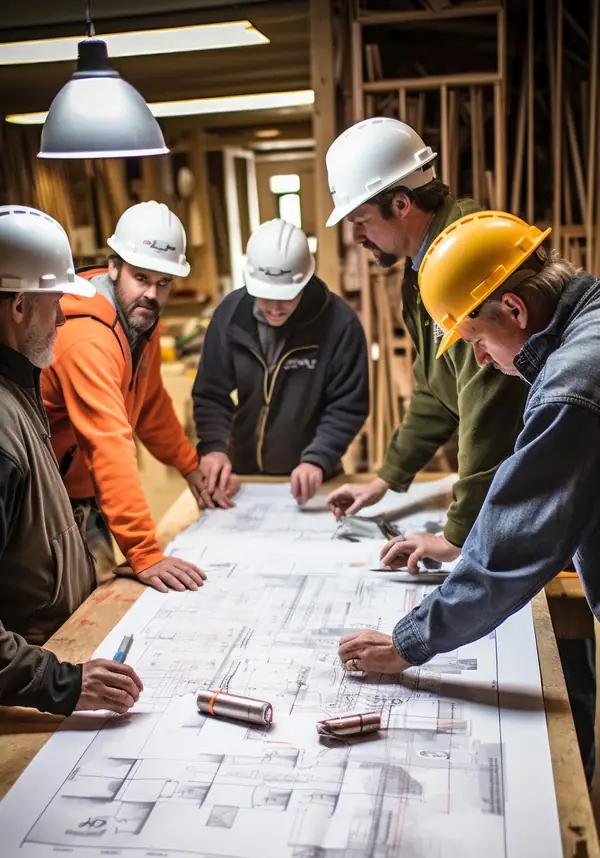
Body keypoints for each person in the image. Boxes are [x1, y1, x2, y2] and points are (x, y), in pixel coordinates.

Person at [338, 211, 599, 781]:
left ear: (514, 309)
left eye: (477, 338)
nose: (479, 358)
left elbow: (519, 542)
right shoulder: (589, 323)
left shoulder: (572, 386)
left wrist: (409, 644)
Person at [0, 205, 143, 858]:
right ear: (20, 307)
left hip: (53, 654)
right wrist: (57, 681)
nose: (65, 313)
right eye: (55, 301)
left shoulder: (15, 390)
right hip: (26, 697)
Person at [325, 117, 527, 562]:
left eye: (360, 220)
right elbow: (436, 387)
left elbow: (488, 403)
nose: (356, 236)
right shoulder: (423, 266)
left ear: (400, 204)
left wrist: (456, 537)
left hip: (540, 469)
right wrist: (386, 478)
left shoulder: (466, 257)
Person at [43, 200, 234, 593]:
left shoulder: (140, 319)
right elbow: (108, 443)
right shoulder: (87, 340)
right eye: (141, 278)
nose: (152, 293)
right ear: (114, 267)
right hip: (46, 501)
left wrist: (189, 465)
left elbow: (149, 405)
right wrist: (145, 551)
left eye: (164, 283)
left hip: (85, 491)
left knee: (101, 599)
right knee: (66, 615)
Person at [192, 218, 369, 506]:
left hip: (313, 476)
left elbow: (348, 406)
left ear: (305, 280)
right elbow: (211, 394)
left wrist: (319, 457)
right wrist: (214, 447)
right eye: (265, 296)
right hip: (242, 477)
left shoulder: (340, 324)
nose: (274, 308)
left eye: (286, 297)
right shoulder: (230, 315)